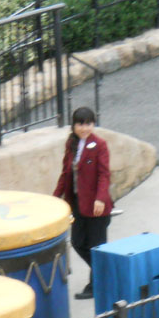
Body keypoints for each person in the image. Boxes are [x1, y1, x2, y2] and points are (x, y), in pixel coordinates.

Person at [53, 107, 112, 300]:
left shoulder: (100, 145)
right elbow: (65, 174)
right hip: (78, 203)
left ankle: (95, 285)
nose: (84, 128)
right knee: (78, 242)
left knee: (96, 246)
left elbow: (104, 175)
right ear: (74, 125)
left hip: (96, 206)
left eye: (88, 123)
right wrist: (55, 197)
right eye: (80, 124)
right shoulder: (71, 144)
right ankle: (105, 272)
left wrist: (100, 198)